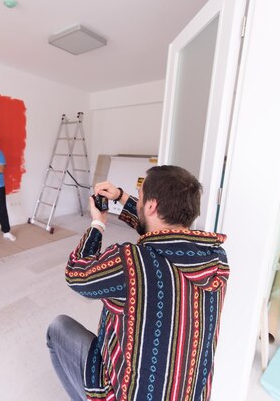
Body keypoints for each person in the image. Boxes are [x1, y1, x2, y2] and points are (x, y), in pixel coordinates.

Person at [46, 165, 230, 401]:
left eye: (140, 198)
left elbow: (76, 273)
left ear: (151, 206)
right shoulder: (217, 260)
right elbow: (161, 232)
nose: (138, 201)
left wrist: (98, 223)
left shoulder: (131, 261)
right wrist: (121, 197)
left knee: (57, 328)